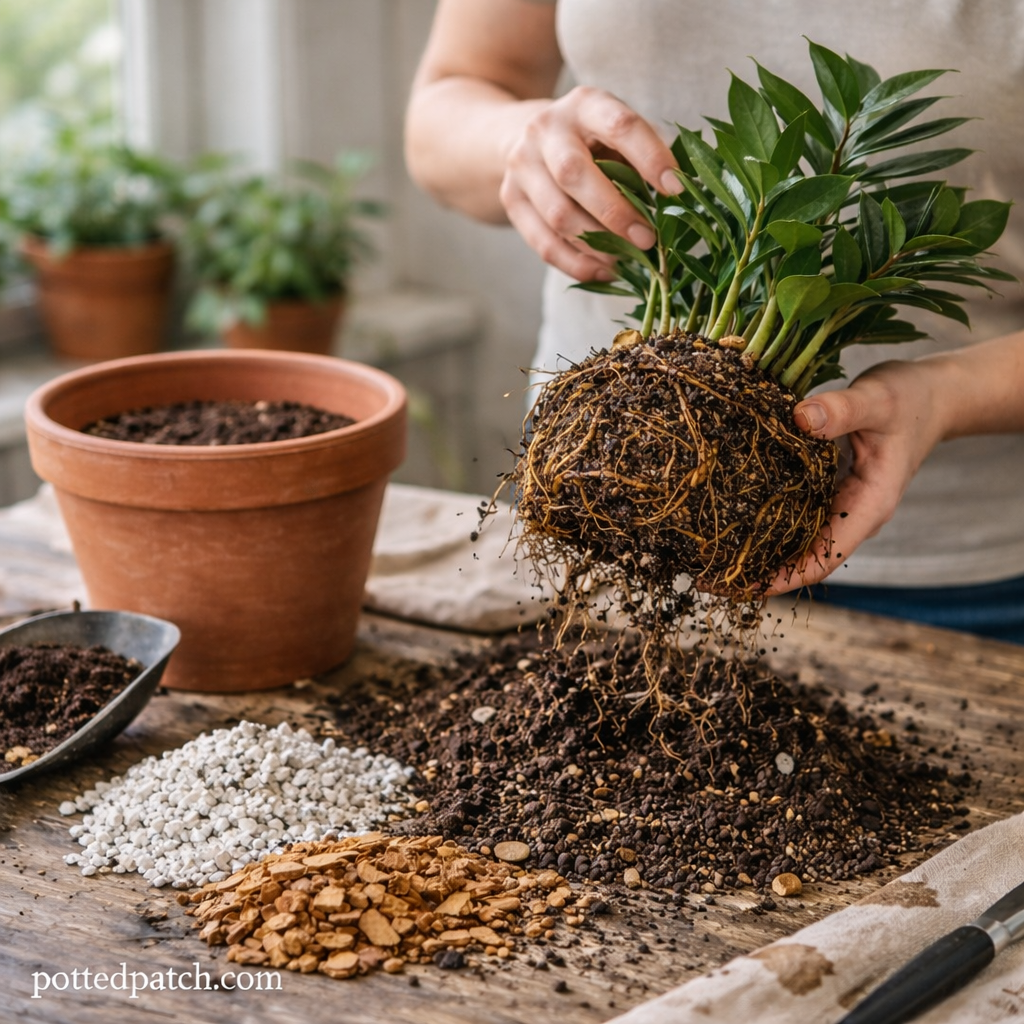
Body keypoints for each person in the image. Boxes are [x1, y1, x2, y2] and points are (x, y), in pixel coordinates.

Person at [404, 0, 1024, 643]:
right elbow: (446, 108)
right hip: (597, 505)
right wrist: (516, 139)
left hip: (956, 580)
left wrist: (947, 396)